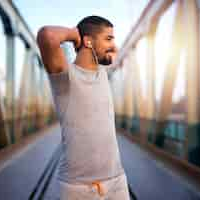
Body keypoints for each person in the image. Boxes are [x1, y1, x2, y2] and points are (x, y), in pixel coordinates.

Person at [36, 15, 130, 200]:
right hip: (78, 188)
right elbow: (47, 35)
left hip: (117, 182)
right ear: (87, 41)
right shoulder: (65, 78)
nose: (114, 46)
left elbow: (115, 55)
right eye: (108, 39)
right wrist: (75, 35)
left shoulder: (103, 72)